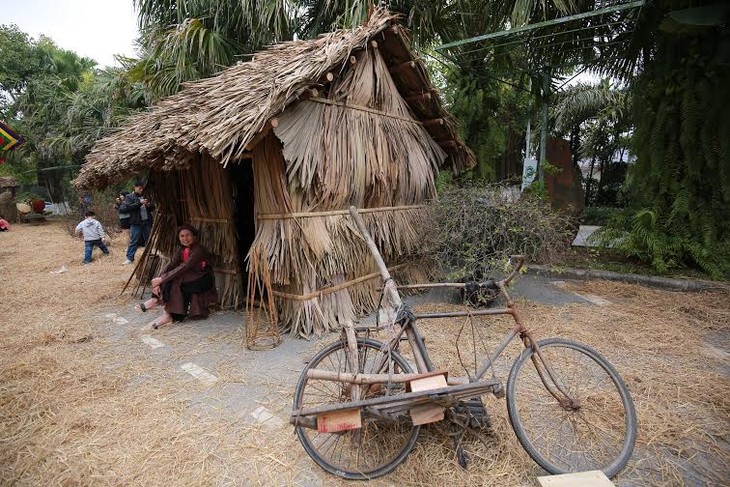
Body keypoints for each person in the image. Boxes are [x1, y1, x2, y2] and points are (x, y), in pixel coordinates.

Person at [136, 224, 217, 329]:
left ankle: (166, 314)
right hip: (191, 277)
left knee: (173, 281)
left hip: (202, 279)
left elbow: (184, 267)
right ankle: (156, 301)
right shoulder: (181, 249)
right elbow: (171, 264)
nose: (185, 238)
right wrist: (158, 281)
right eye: (182, 236)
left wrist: (162, 279)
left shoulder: (198, 250)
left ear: (194, 237)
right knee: (169, 277)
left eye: (188, 235)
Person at [119, 181, 154, 265]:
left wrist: (149, 205)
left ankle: (150, 254)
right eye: (139, 188)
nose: (141, 190)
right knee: (134, 240)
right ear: (135, 187)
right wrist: (139, 203)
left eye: (142, 188)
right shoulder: (129, 197)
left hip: (146, 221)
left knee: (148, 240)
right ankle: (129, 258)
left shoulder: (146, 196)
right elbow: (127, 208)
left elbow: (153, 208)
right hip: (136, 222)